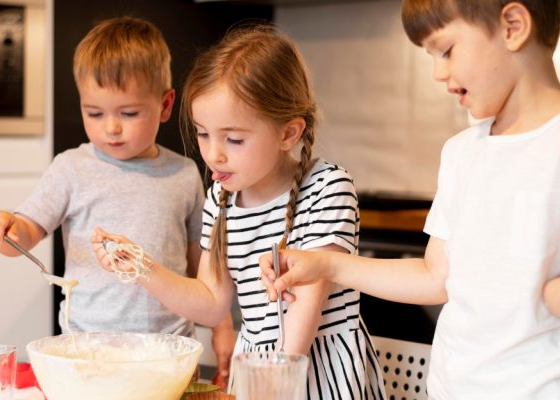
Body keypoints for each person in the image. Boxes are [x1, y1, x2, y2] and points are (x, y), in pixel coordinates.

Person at [260, 1, 560, 399]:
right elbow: (434, 277)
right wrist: (325, 263)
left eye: (445, 51)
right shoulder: (462, 153)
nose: (438, 73)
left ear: (513, 26)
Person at [92, 24, 386, 399]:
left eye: (233, 139)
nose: (213, 153)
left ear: (288, 133)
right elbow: (211, 305)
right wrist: (138, 266)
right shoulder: (222, 197)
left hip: (316, 378)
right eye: (202, 133)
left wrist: (269, 386)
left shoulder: (327, 188)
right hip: (256, 376)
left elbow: (304, 312)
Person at [0, 16, 235, 384]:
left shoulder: (185, 174)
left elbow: (202, 269)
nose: (110, 127)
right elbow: (26, 234)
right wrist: (5, 227)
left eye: (128, 113)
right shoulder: (71, 169)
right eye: (94, 113)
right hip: (87, 352)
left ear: (164, 104)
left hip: (169, 354)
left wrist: (222, 326)